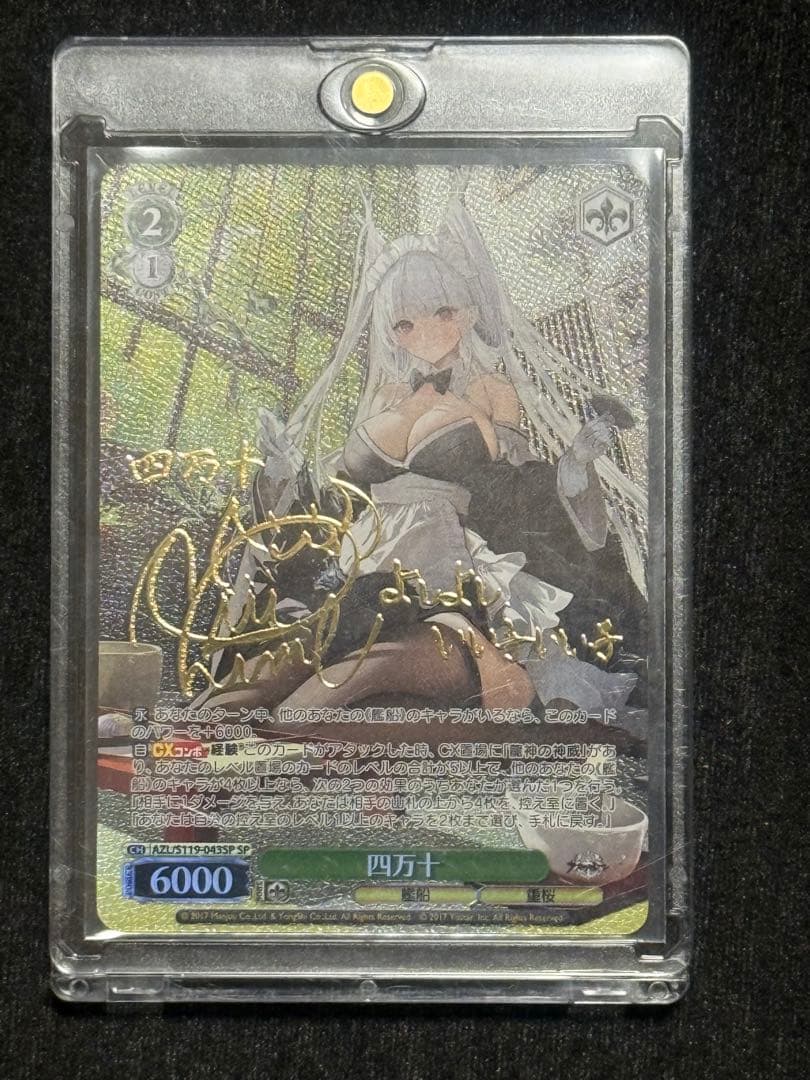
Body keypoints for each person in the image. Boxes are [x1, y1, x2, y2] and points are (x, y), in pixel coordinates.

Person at [197, 191, 647, 741]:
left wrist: (575, 465)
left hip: (445, 576)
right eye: (405, 323)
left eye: (443, 312)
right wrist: (283, 469)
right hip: (357, 572)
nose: (424, 331)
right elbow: (338, 496)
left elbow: (522, 490)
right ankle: (175, 760)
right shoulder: (384, 395)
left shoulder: (491, 388)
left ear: (469, 314)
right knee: (247, 689)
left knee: (319, 700)